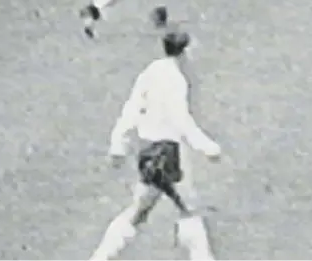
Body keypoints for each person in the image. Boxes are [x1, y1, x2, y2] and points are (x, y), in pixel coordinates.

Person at [89, 26, 221, 260]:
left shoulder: (150, 72)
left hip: (146, 151)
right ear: (185, 51)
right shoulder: (177, 80)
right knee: (189, 209)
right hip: (167, 152)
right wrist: (206, 146)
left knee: (139, 210)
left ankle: (100, 257)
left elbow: (132, 107)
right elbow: (180, 119)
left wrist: (118, 143)